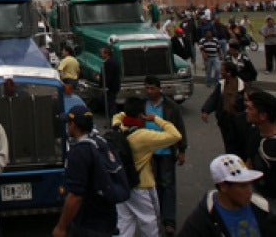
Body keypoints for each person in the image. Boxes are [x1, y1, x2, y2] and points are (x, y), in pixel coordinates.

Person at [112, 96, 182, 237]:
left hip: (122, 184)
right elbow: (175, 135)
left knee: (124, 224)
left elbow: (117, 116)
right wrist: (156, 119)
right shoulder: (144, 136)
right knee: (151, 225)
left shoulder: (118, 128)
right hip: (142, 186)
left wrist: (127, 113)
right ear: (140, 115)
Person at [53, 105, 119, 237]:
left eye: (68, 123)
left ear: (74, 126)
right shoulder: (101, 142)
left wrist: (61, 227)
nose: (67, 126)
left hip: (90, 223)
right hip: (107, 218)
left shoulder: (80, 152)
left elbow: (76, 196)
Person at [176, 154, 269, 237]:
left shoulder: (261, 207)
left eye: (250, 184)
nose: (250, 190)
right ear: (223, 186)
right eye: (243, 186)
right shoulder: (202, 220)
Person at [144, 76, 188, 236]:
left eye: (152, 88)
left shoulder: (170, 106)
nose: (149, 91)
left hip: (166, 152)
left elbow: (179, 128)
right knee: (153, 186)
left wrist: (182, 150)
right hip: (148, 152)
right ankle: (156, 217)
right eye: (147, 88)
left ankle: (169, 221)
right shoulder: (143, 105)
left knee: (167, 185)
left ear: (159, 89)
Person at [201, 63, 247, 155]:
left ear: (229, 73)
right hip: (225, 119)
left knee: (239, 142)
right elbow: (214, 98)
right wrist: (206, 111)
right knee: (228, 143)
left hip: (238, 120)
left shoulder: (242, 87)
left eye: (222, 70)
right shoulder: (221, 85)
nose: (221, 72)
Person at [99, 44, 122, 122]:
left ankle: (114, 121)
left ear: (106, 54)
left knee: (111, 104)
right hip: (113, 87)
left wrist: (105, 86)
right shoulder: (113, 61)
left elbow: (108, 76)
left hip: (110, 88)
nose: (101, 54)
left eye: (102, 53)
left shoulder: (109, 63)